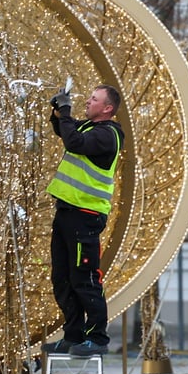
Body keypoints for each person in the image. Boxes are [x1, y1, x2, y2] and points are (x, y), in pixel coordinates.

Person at [42, 84, 124, 358]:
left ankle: (97, 337)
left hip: (85, 216)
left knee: (85, 278)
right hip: (67, 212)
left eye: (94, 99)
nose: (87, 102)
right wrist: (58, 113)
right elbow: (66, 131)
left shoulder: (108, 134)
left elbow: (74, 142)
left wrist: (65, 111)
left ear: (108, 108)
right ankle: (73, 334)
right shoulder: (90, 129)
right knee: (62, 278)